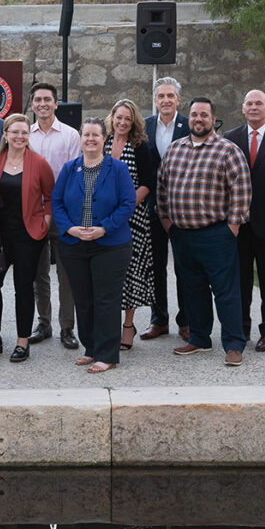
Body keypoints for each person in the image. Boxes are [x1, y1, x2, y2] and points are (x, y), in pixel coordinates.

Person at [157, 97, 251, 367]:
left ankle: (233, 344)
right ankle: (199, 338)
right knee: (192, 289)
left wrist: (231, 228)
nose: (198, 119)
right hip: (182, 235)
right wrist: (168, 223)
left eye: (204, 115)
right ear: (189, 119)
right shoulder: (175, 149)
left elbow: (241, 191)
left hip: (216, 234)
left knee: (226, 292)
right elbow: (162, 187)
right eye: (194, 115)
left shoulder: (227, 150)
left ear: (213, 118)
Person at [52, 118, 135, 374]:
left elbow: (127, 203)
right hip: (74, 244)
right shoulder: (69, 169)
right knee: (83, 299)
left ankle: (107, 354)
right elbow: (57, 203)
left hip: (110, 245)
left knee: (106, 299)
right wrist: (69, 228)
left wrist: (104, 228)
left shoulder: (117, 169)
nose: (90, 139)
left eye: (95, 135)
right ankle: (91, 348)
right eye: (86, 134)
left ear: (104, 139)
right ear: (81, 138)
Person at [223, 90, 265, 351]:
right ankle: (241, 329)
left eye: (258, 103)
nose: (253, 107)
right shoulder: (229, 139)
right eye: (249, 103)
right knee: (239, 282)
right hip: (237, 226)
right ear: (243, 108)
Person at [0, 113, 54, 362]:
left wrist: (44, 224)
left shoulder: (39, 163)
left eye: (24, 132)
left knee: (24, 288)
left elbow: (49, 197)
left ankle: (23, 341)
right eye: (15, 132)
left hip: (29, 236)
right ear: (5, 134)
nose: (20, 136)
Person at [26, 82, 81, 349]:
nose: (43, 104)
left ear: (56, 104)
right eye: (38, 100)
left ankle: (67, 327)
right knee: (39, 273)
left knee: (66, 273)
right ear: (32, 104)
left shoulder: (71, 135)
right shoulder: (26, 135)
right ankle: (44, 323)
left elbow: (73, 177)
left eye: (48, 99)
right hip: (34, 212)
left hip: (62, 212)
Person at [103, 99, 155, 352]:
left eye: (127, 119)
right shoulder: (102, 142)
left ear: (133, 122)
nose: (122, 122)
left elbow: (148, 182)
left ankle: (128, 325)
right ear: (111, 118)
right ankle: (109, 324)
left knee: (130, 271)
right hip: (104, 217)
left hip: (132, 218)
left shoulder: (140, 146)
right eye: (119, 117)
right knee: (108, 272)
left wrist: (124, 207)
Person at [142, 76, 190, 341]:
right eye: (161, 96)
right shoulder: (145, 126)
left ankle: (186, 321)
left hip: (183, 208)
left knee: (183, 265)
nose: (166, 100)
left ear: (178, 100)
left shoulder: (188, 125)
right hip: (152, 208)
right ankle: (159, 319)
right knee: (155, 265)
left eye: (171, 96)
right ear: (155, 100)